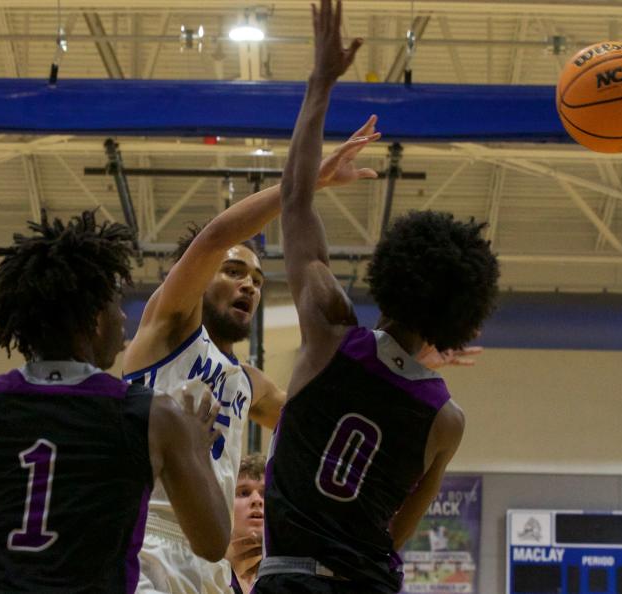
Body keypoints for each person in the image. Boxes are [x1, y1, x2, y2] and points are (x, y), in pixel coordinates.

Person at [253, 2, 500, 593]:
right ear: (460, 319)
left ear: (392, 269)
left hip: (290, 578)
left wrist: (321, 84)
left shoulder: (329, 326)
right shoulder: (446, 418)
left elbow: (293, 201)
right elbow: (394, 535)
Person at [122, 103, 382, 593]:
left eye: (258, 280)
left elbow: (323, 425)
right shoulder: (168, 324)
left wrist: (407, 356)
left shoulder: (249, 382)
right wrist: (303, 185)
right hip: (147, 542)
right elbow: (216, 236)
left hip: (211, 558)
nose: (249, 286)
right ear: (197, 279)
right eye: (234, 272)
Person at [0, 210, 230, 594]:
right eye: (115, 304)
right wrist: (201, 449)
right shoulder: (151, 415)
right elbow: (212, 543)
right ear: (93, 319)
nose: (123, 316)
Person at [226, 454, 266, 594]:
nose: (257, 500)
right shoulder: (207, 570)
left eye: (265, 493)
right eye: (244, 493)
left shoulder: (283, 578)